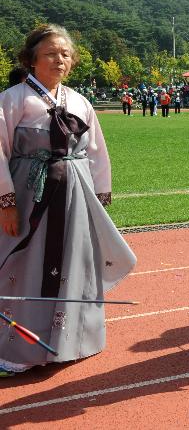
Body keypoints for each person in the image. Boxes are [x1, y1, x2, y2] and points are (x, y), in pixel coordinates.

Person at [0, 24, 136, 376]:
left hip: (75, 195)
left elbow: (96, 154)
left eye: (64, 54)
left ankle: (74, 341)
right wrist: (7, 202)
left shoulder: (79, 102)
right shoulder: (12, 99)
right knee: (24, 265)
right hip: (30, 195)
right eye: (49, 53)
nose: (59, 60)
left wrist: (98, 198)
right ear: (31, 59)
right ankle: (19, 348)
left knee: (75, 263)